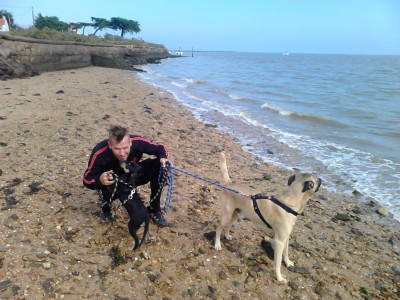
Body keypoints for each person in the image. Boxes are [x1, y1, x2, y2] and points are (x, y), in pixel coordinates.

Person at [83, 125, 170, 227]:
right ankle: (105, 206)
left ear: (130, 143)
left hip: (132, 176)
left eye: (125, 148)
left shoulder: (138, 142)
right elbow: (87, 179)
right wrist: (99, 180)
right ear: (110, 145)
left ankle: (154, 209)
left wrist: (163, 158)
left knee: (160, 167)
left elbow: (160, 148)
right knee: (106, 183)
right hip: (113, 182)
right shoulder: (99, 153)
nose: (122, 153)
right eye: (117, 149)